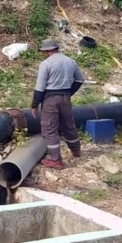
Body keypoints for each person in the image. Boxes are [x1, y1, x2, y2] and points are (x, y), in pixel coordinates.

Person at [30, 39, 85, 170]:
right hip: (65, 97)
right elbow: (80, 79)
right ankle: (76, 150)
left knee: (49, 128)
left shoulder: (46, 63)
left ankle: (55, 160)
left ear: (47, 51)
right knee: (68, 124)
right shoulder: (70, 61)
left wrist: (34, 104)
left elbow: (40, 87)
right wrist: (69, 93)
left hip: (50, 99)